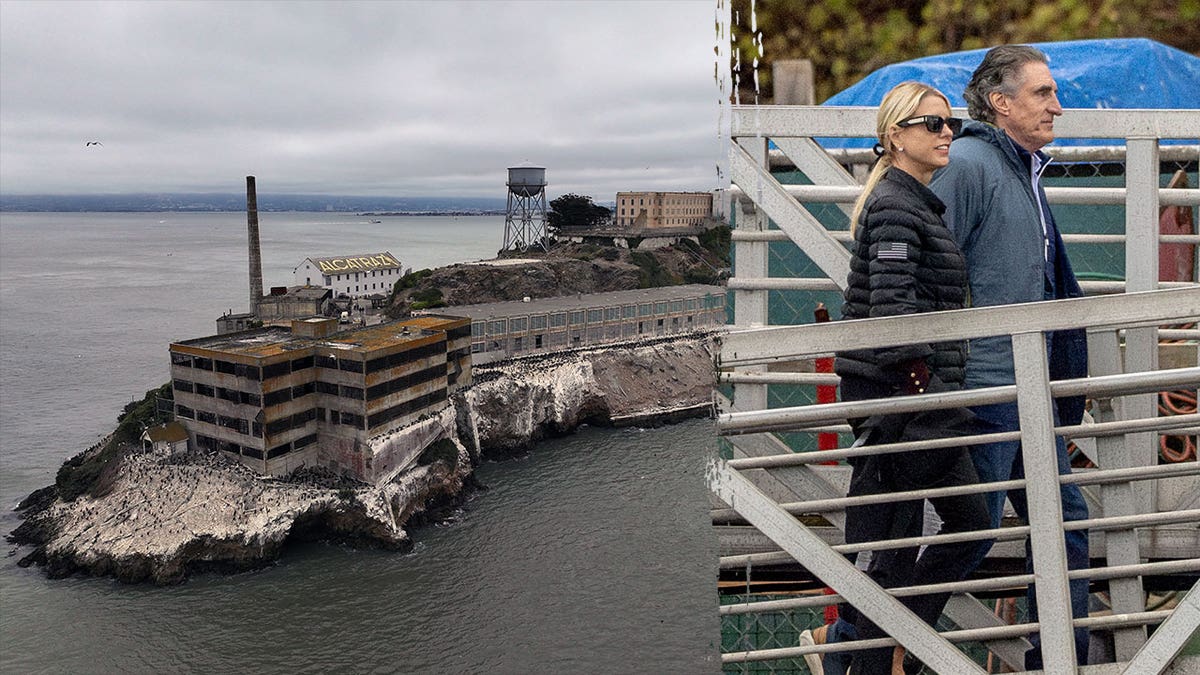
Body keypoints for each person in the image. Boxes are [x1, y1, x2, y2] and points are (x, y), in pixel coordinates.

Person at [815, 81, 991, 675]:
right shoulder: (895, 204)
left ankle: (893, 647)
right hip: (900, 400)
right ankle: (885, 654)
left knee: (934, 533)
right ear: (896, 135)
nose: (947, 134)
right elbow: (892, 315)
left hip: (908, 398)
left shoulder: (909, 200)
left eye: (952, 124)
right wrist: (922, 395)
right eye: (932, 124)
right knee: (930, 535)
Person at [928, 44, 1091, 668]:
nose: (1057, 105)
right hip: (988, 389)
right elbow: (928, 268)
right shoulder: (969, 164)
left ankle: (1057, 661)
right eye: (1043, 93)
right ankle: (864, 645)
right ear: (1001, 102)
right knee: (973, 533)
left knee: (1065, 524)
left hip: (1028, 391)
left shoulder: (1021, 169)